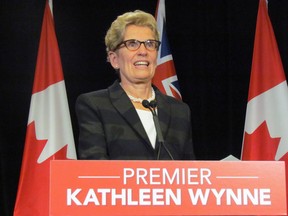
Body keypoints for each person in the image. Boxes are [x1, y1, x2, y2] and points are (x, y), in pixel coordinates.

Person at [75, 10, 195, 160]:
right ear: (114, 59)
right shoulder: (95, 105)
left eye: (150, 44)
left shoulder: (179, 111)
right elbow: (94, 169)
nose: (143, 51)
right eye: (132, 44)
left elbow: (190, 173)